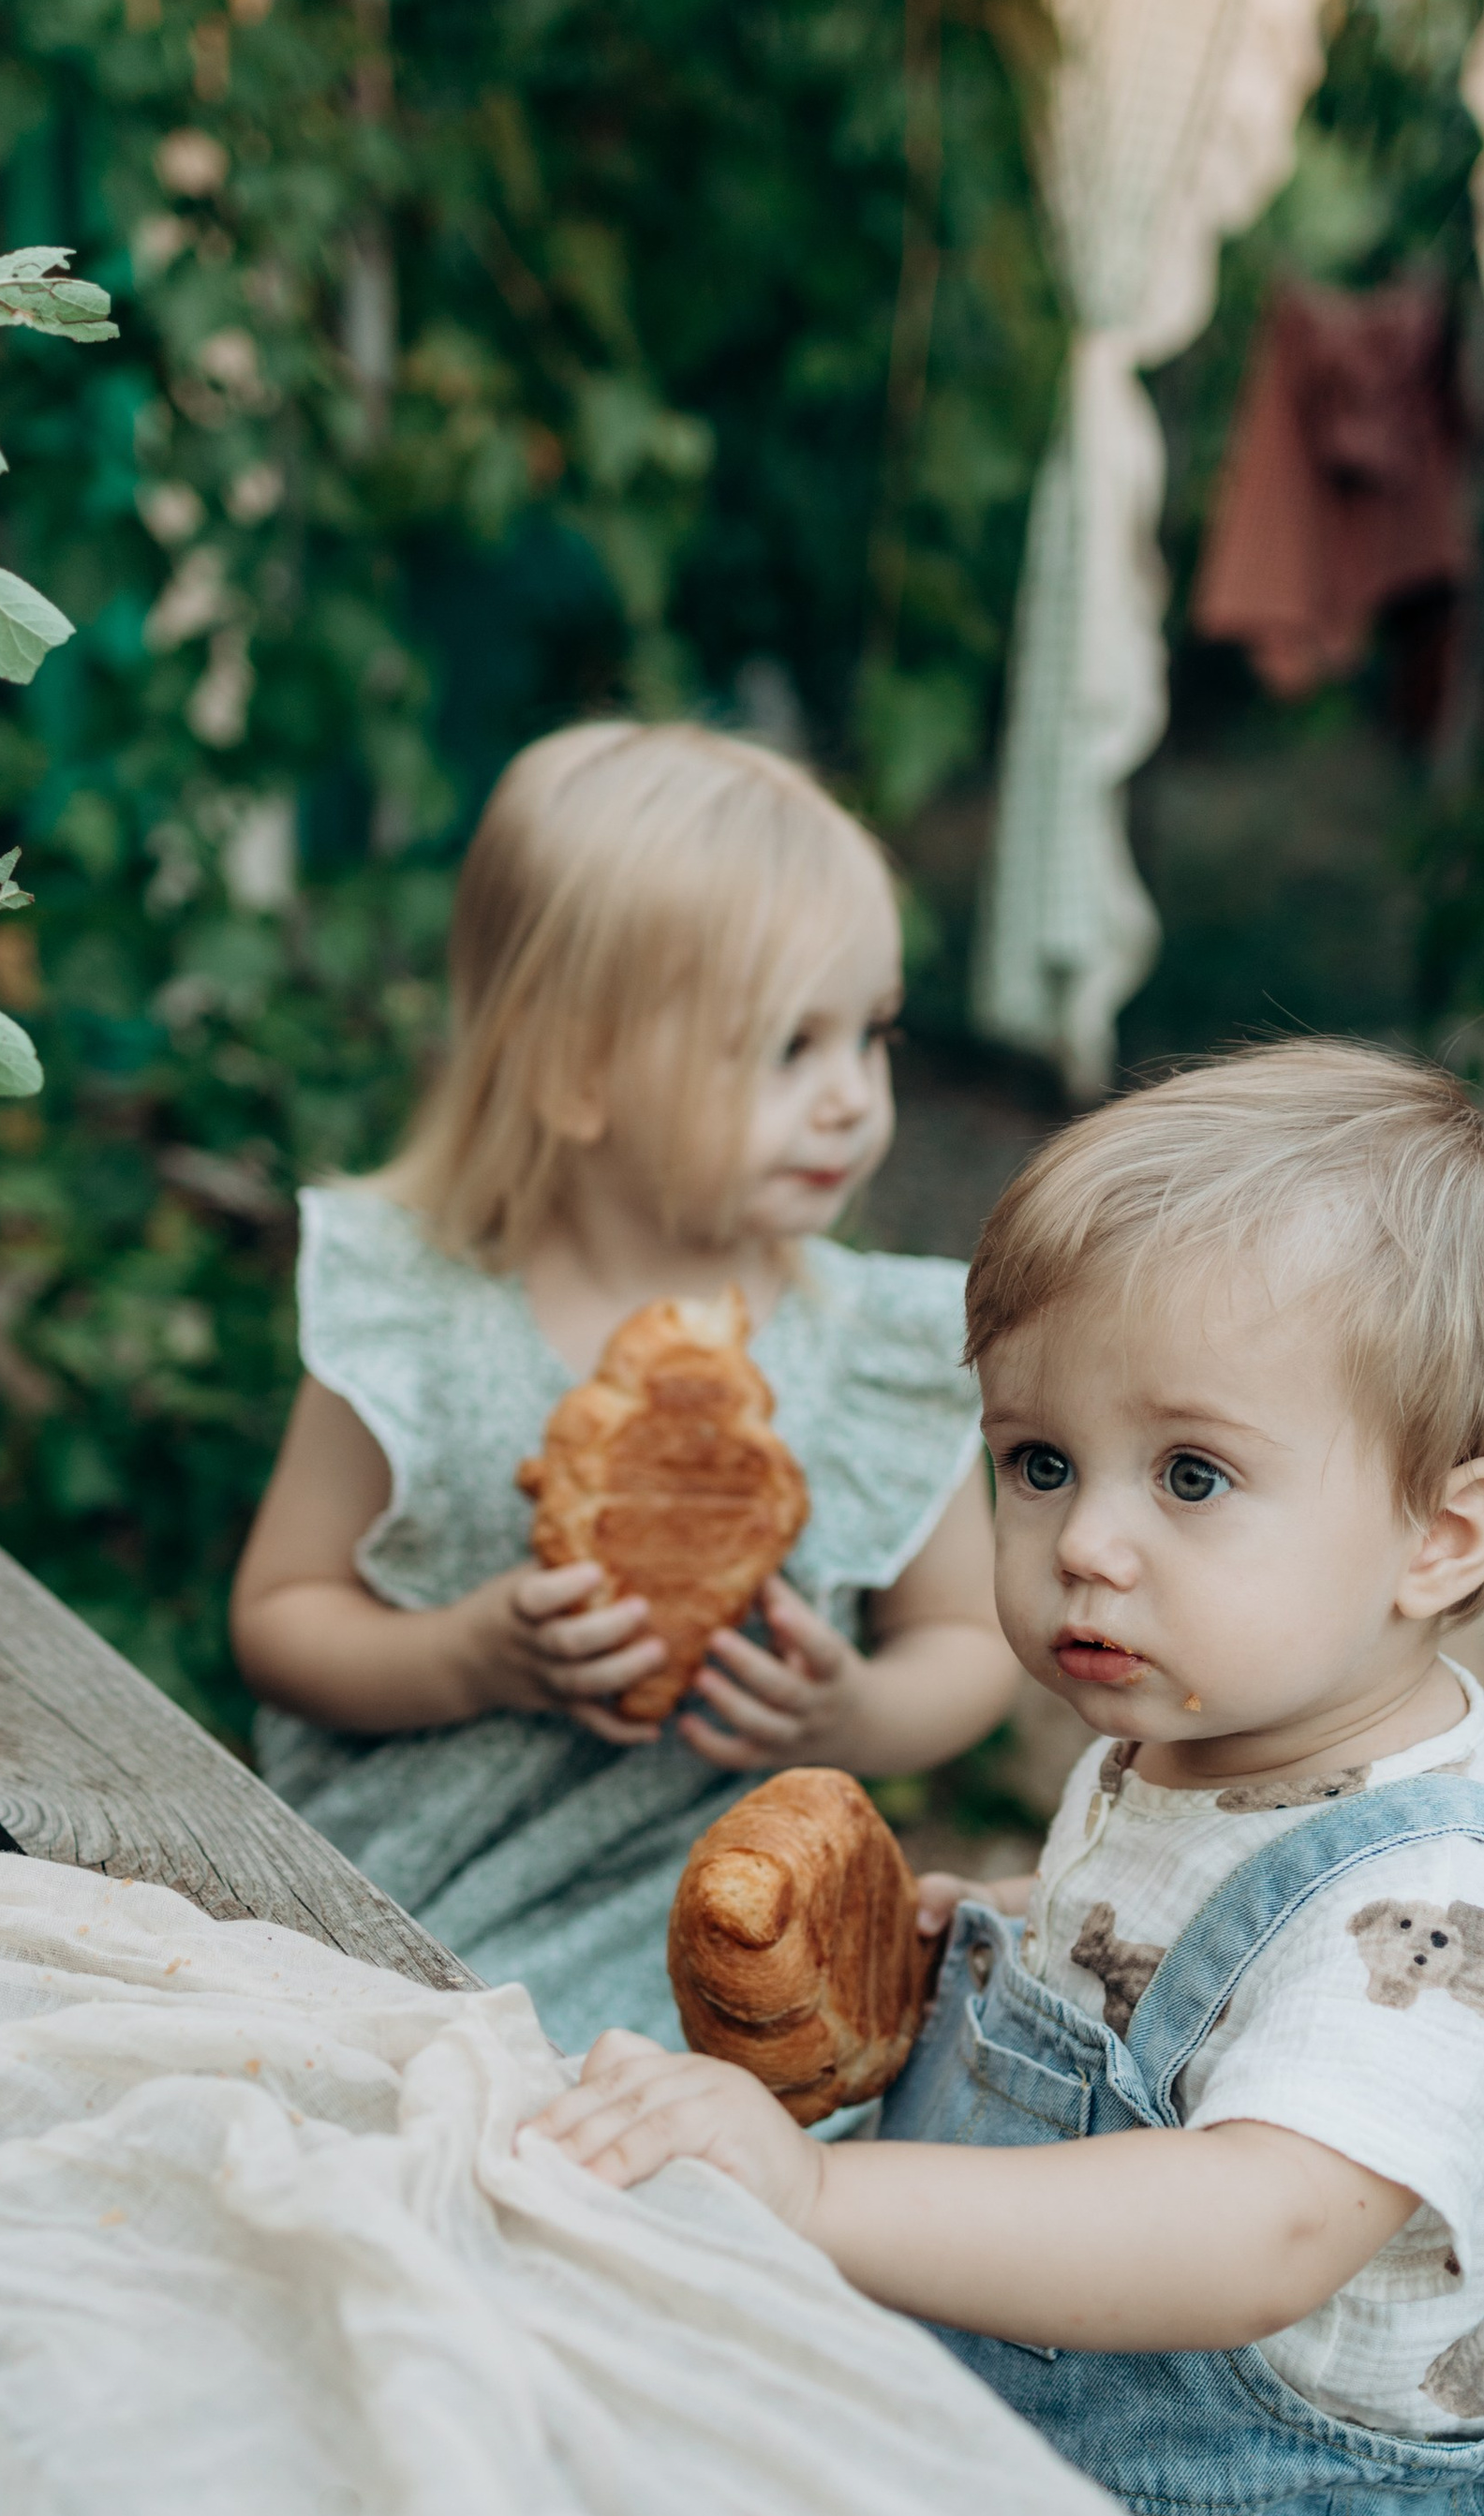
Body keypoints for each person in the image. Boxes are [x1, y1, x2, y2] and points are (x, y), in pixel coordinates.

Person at [531, 1042, 1484, 2516]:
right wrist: (989, 1938)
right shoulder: (1200, 1734)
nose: (1087, 1544)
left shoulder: (1432, 1905)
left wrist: (819, 2202)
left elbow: (1251, 2228)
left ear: (1444, 1535)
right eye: (1041, 1461)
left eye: (1191, 1477)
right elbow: (1167, 1971)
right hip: (1041, 2497)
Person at [232, 720, 1017, 2049]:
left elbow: (971, 1642)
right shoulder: (420, 1311)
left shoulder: (870, 1345)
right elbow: (280, 1615)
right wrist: (466, 1654)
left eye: (869, 1036)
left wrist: (854, 1712)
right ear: (578, 1074)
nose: (851, 1100)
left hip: (709, 1934)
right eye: (788, 1049)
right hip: (395, 1905)